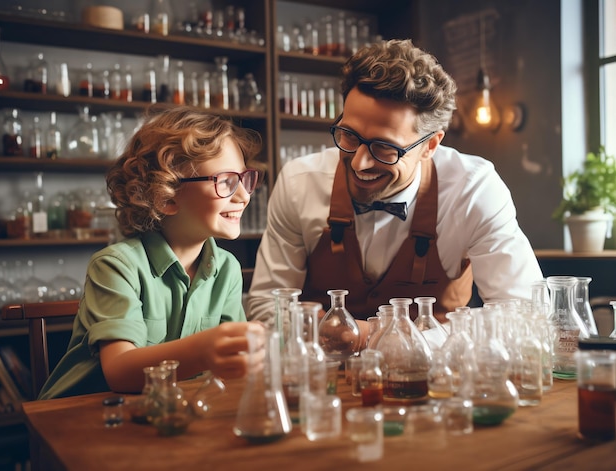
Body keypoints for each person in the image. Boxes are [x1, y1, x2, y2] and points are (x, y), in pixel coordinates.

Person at [246, 39, 543, 344]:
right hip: (322, 378)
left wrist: (381, 337)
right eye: (349, 135)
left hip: (436, 382)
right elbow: (267, 304)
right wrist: (318, 330)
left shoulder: (473, 190)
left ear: (430, 145)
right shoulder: (300, 181)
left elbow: (524, 313)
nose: (360, 162)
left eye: (385, 148)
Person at [39, 107, 265, 400]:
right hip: (80, 419)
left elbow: (228, 366)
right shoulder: (115, 266)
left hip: (160, 412)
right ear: (165, 196)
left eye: (244, 178)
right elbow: (120, 370)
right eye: (225, 181)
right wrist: (204, 350)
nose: (244, 195)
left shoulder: (227, 268)